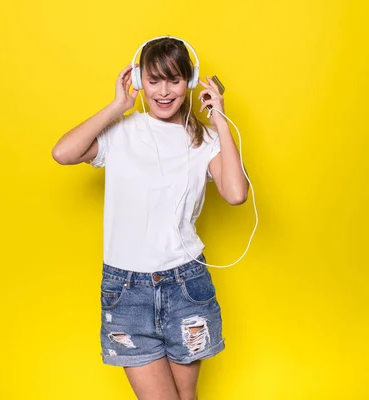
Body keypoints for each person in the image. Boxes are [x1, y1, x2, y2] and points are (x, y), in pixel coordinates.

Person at [51, 36, 249, 400]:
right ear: (140, 80)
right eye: (154, 79)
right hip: (126, 291)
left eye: (174, 79)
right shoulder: (121, 131)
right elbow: (63, 153)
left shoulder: (203, 139)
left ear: (189, 82)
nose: (164, 91)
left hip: (186, 285)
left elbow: (236, 194)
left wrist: (219, 118)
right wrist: (116, 106)